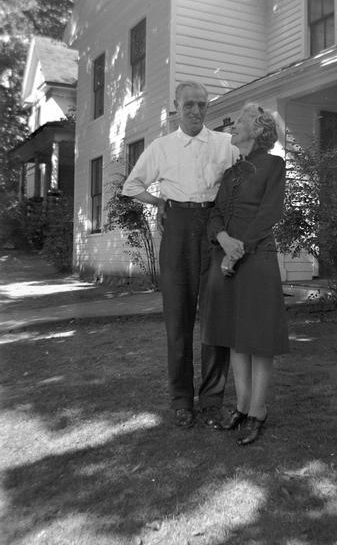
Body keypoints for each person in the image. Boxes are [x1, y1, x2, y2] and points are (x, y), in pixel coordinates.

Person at [122, 81, 238, 429]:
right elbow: (132, 185)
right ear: (176, 108)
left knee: (215, 319)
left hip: (214, 228)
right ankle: (181, 400)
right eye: (189, 105)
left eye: (202, 105)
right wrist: (159, 202)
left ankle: (213, 400)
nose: (196, 111)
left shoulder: (225, 144)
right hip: (177, 228)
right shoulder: (162, 147)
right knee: (178, 320)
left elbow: (246, 178)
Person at [202, 102, 289, 446]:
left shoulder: (274, 165)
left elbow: (269, 214)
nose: (233, 127)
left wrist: (238, 251)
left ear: (257, 129)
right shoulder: (232, 172)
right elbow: (215, 216)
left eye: (240, 122)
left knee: (258, 339)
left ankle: (258, 411)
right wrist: (224, 241)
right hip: (227, 258)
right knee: (236, 336)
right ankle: (240, 406)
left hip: (257, 260)